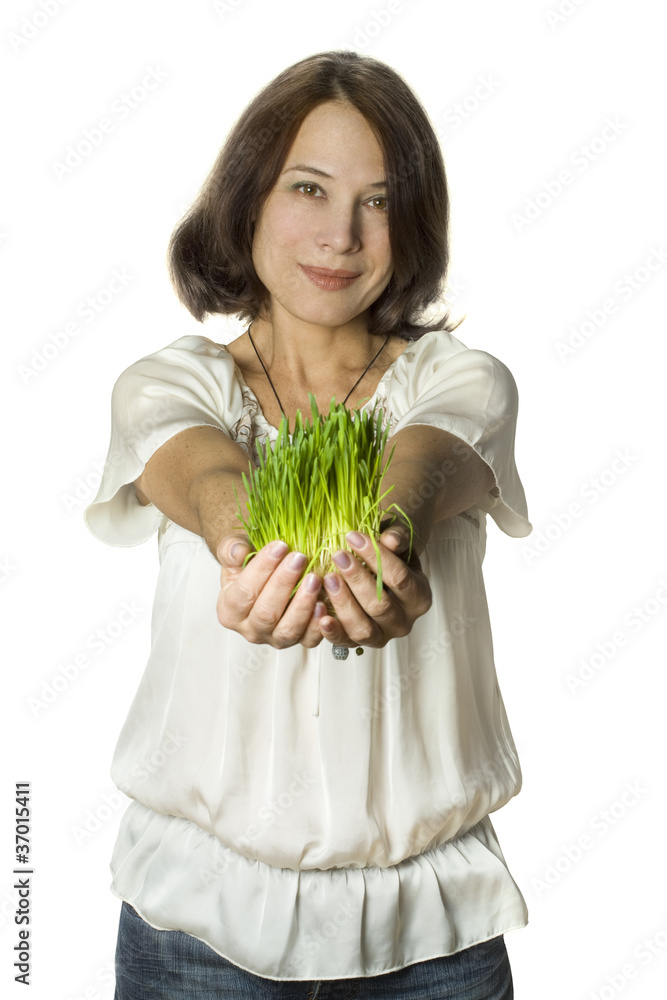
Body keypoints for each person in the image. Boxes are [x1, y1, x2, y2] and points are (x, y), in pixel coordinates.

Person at [84, 49, 532, 999]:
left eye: (378, 200)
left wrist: (386, 539)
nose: (340, 234)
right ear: (247, 198)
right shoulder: (169, 384)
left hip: (434, 933)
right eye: (308, 188)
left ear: (413, 222)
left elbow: (425, 461)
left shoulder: (461, 382)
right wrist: (241, 545)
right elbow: (201, 467)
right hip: (195, 926)